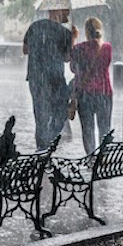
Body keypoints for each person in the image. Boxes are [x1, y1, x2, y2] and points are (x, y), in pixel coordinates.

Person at [23, 8, 77, 150]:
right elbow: (67, 58)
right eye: (65, 13)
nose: (67, 15)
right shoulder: (64, 32)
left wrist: (40, 48)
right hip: (55, 79)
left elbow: (25, 50)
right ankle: (49, 140)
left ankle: (41, 148)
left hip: (36, 77)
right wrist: (73, 40)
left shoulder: (34, 27)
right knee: (60, 113)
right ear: (57, 12)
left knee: (40, 116)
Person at [71, 17, 113, 154]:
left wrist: (73, 39)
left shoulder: (79, 48)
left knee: (88, 130)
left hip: (85, 94)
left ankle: (90, 158)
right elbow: (104, 66)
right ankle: (104, 158)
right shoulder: (107, 48)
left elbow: (73, 68)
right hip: (104, 93)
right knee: (105, 128)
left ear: (86, 32)